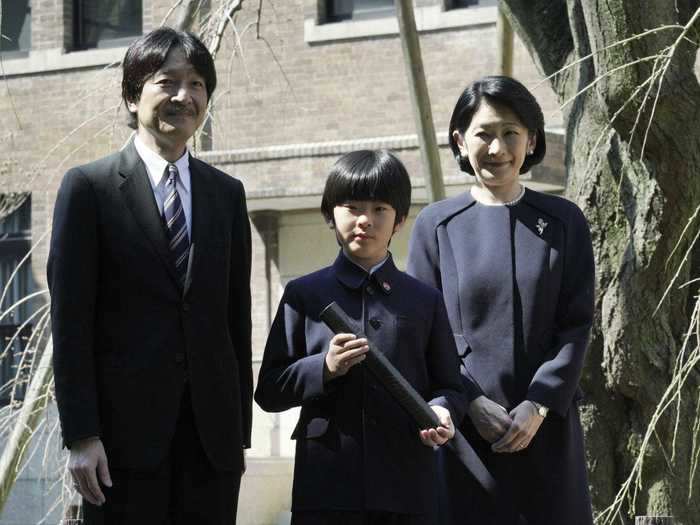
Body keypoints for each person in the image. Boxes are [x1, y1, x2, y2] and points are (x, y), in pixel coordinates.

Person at [47, 27, 252, 524]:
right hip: (119, 448)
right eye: (168, 81)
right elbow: (71, 323)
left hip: (211, 446)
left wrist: (239, 431)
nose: (185, 96)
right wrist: (82, 434)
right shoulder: (89, 189)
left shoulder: (226, 194)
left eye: (198, 83)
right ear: (133, 93)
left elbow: (235, 319)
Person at [407, 76, 594, 525]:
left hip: (545, 430)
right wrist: (470, 401)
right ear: (459, 140)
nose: (498, 148)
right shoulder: (436, 225)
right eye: (484, 133)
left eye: (511, 132)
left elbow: (577, 323)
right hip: (464, 433)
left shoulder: (565, 220)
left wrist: (539, 404)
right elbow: (424, 332)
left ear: (531, 139)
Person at [255, 150, 465, 525]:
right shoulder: (305, 294)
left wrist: (443, 410)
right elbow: (269, 390)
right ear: (329, 215)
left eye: (380, 209)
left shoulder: (424, 300)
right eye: (351, 207)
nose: (364, 221)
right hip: (327, 486)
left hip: (407, 485)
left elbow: (450, 385)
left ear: (399, 220)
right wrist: (324, 367)